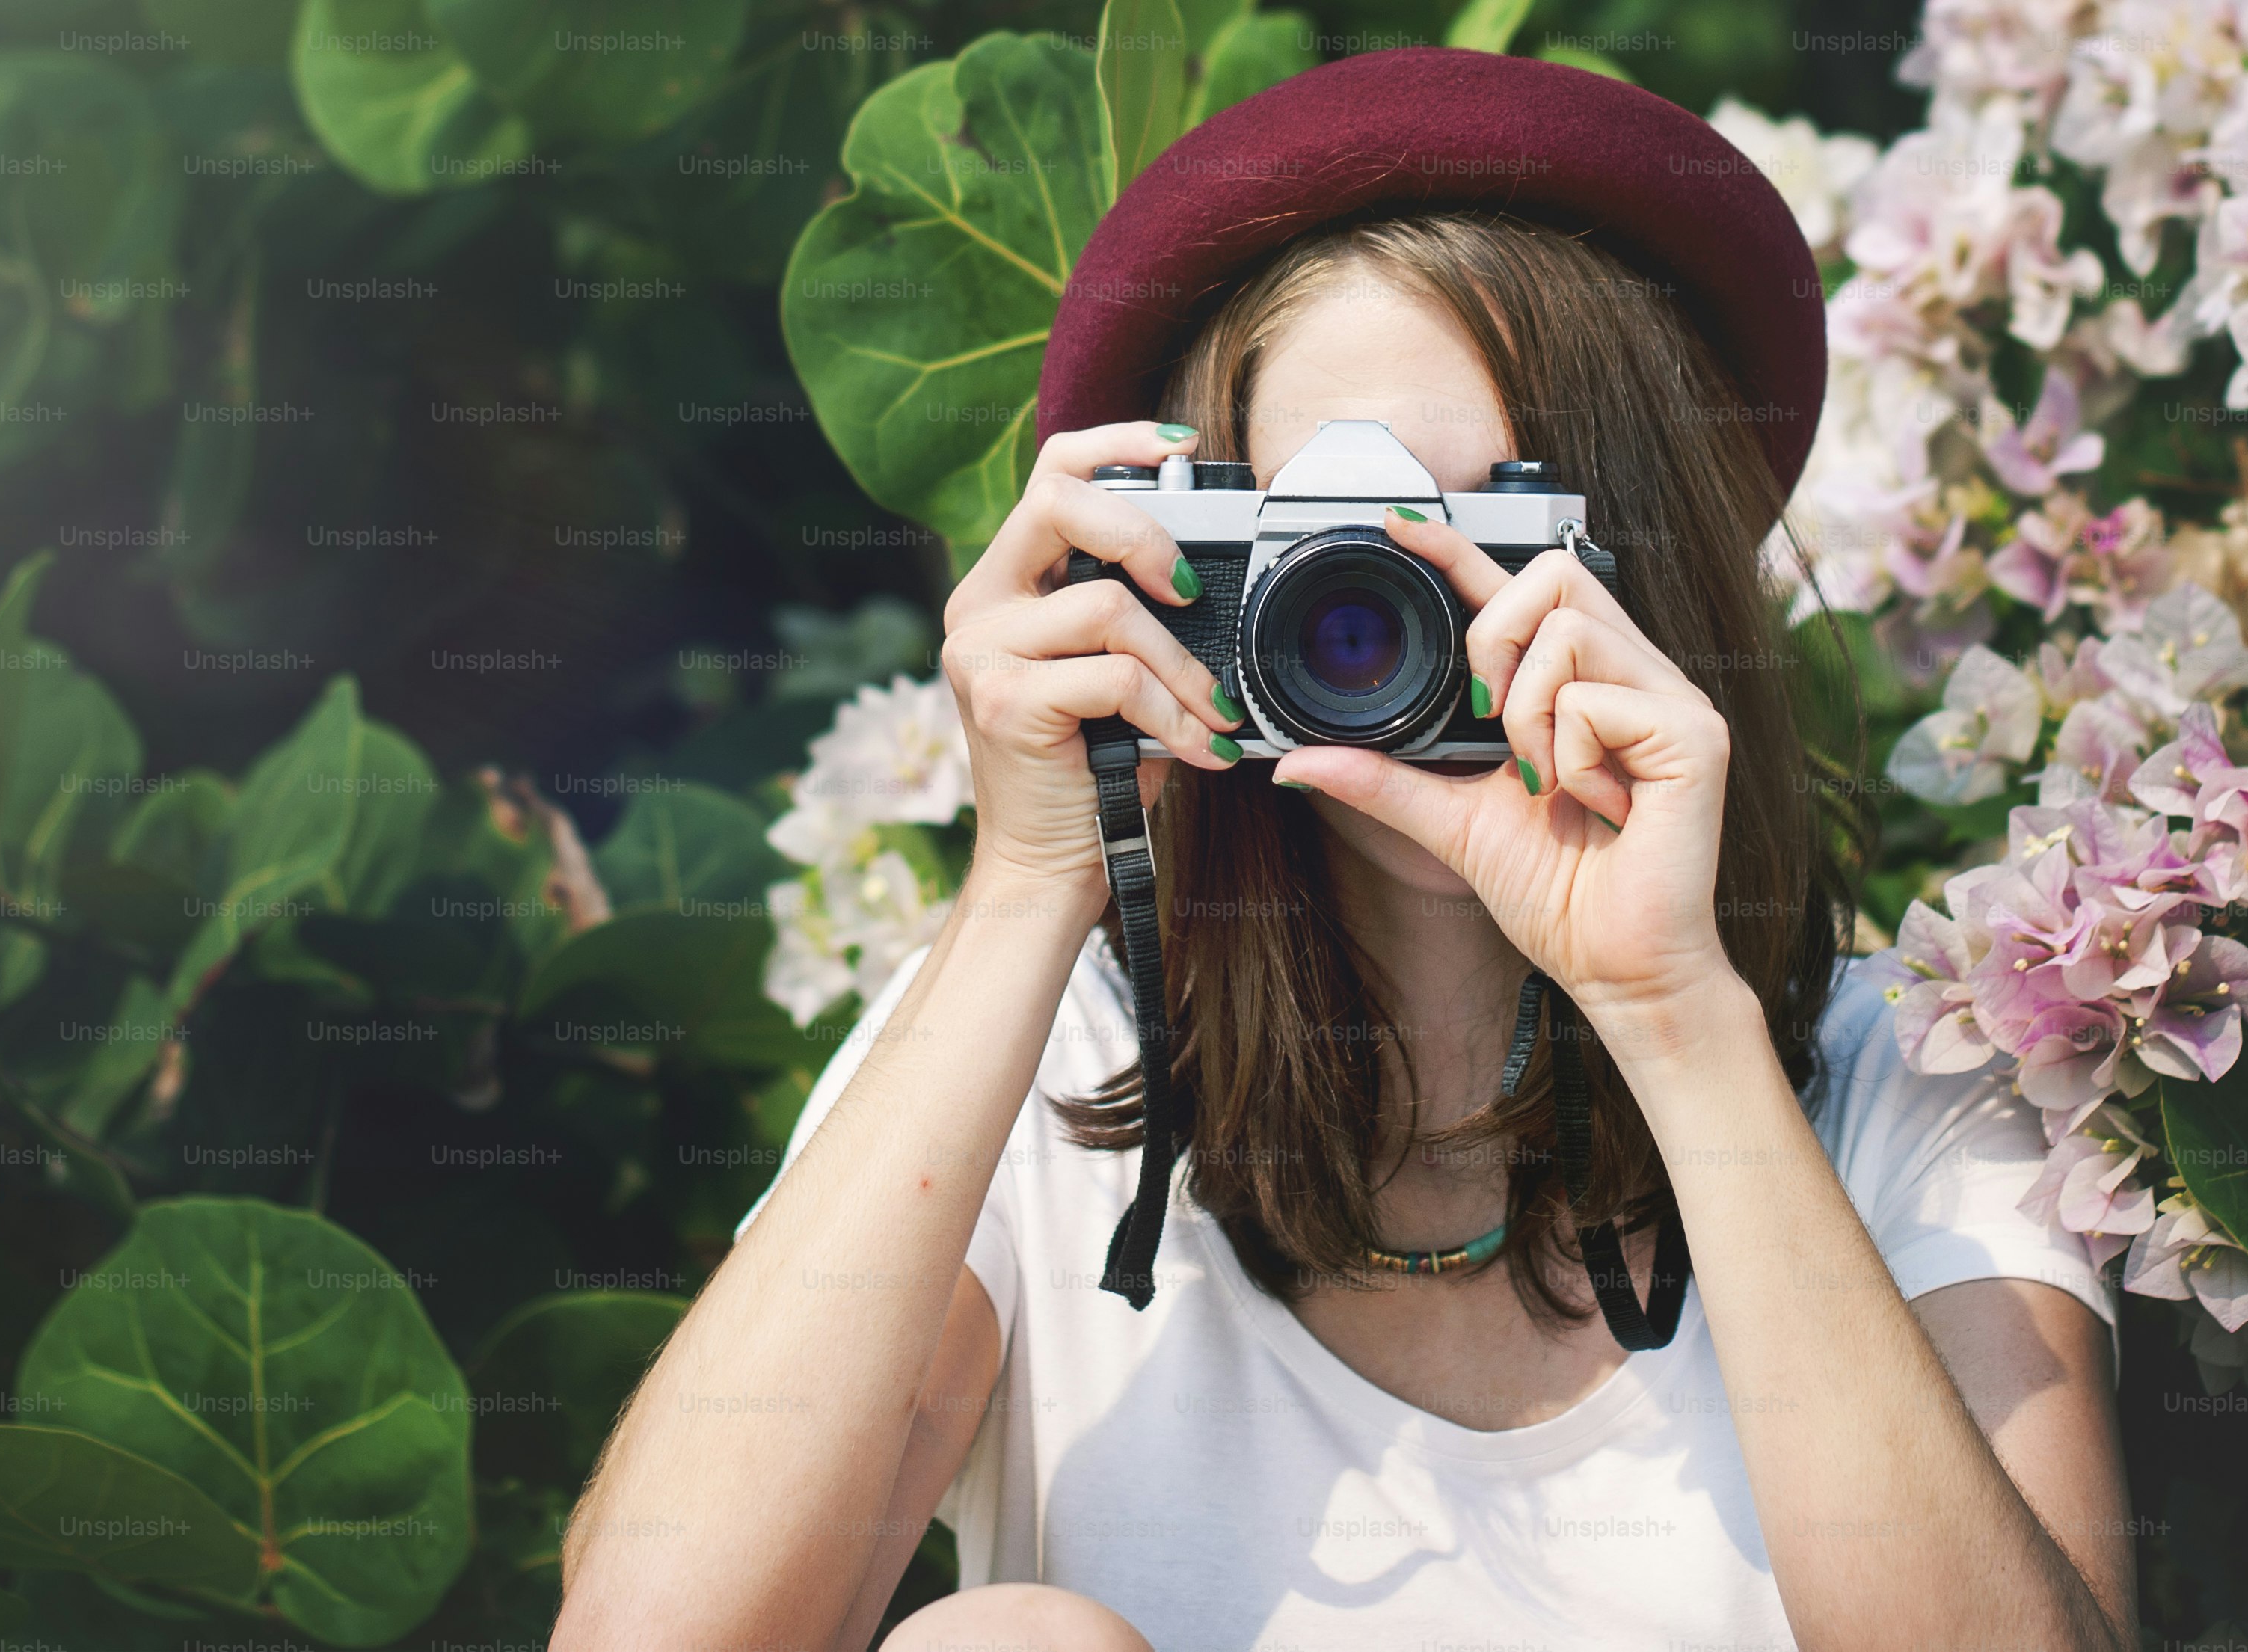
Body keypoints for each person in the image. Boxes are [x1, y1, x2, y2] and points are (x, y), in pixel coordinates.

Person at [552, 48, 2133, 1652]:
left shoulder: (1906, 1079)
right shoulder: (1035, 1069)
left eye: (1484, 530)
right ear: (1184, 569)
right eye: (1328, 552)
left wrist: (1674, 1014)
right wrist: (1027, 887)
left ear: (1645, 559)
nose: (1405, 616)